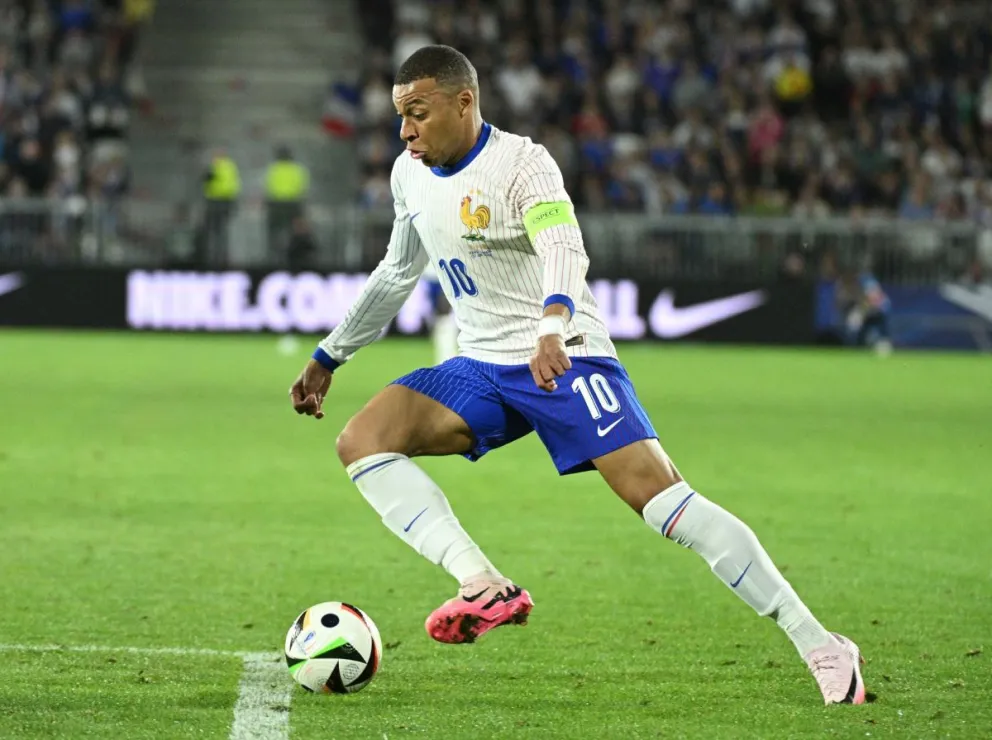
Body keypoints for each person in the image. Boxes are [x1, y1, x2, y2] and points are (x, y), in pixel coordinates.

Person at [289, 45, 866, 705]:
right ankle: (482, 584)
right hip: (480, 366)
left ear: (464, 102)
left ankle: (821, 643)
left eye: (418, 114)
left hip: (565, 355)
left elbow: (564, 245)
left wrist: (552, 325)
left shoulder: (522, 165)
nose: (406, 131)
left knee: (665, 503)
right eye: (401, 117)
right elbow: (396, 273)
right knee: (362, 440)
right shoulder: (408, 175)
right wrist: (329, 355)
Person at [422, 261, 459, 364]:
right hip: (433, 275)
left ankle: (447, 357)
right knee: (440, 319)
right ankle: (445, 357)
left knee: (444, 318)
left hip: (445, 273)